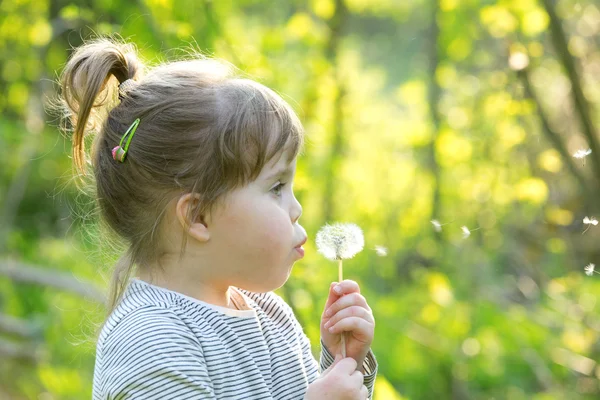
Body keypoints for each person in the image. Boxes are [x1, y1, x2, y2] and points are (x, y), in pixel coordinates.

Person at [57, 37, 377, 399]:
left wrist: (341, 365)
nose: (296, 208)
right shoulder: (152, 340)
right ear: (199, 216)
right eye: (276, 188)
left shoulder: (269, 313)